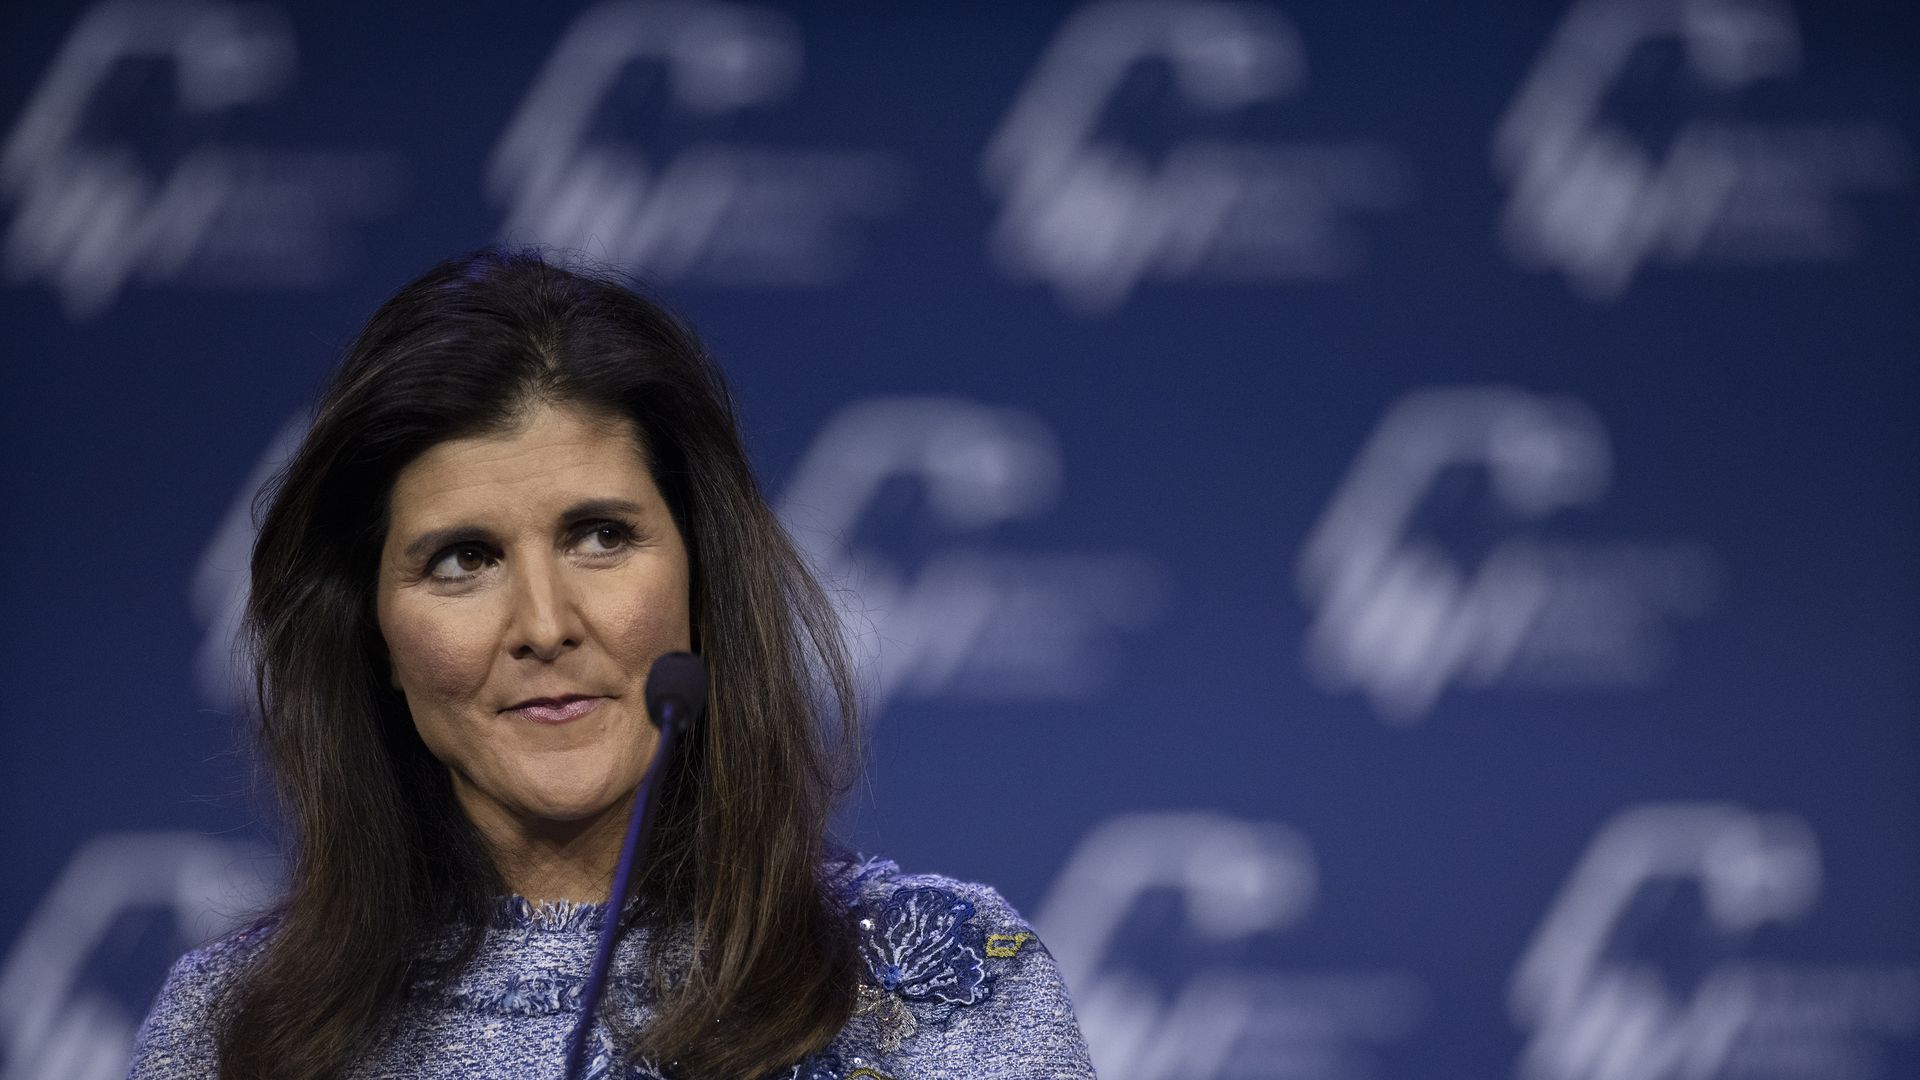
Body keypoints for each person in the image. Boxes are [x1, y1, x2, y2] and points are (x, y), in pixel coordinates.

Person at [127, 248, 1097, 1080]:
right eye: (464, 560)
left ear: (699, 581)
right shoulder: (232, 1033)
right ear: (372, 632)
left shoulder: (949, 990)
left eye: (599, 536)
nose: (545, 625)